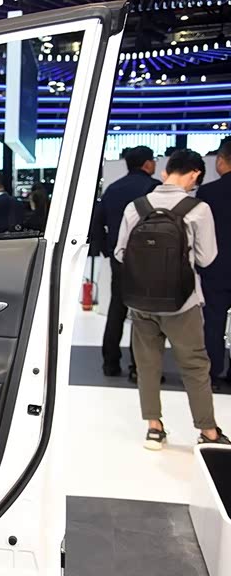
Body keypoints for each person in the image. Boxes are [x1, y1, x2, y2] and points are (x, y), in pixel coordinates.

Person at [115, 149, 230, 449]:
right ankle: (208, 431)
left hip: (140, 301)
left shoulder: (136, 207)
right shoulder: (198, 209)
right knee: (194, 365)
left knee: (147, 364)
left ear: (166, 171)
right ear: (194, 174)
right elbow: (206, 258)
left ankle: (154, 428)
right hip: (182, 303)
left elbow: (121, 253)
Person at [91, 146, 161, 379]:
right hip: (147, 258)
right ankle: (138, 367)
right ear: (147, 164)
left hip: (118, 257)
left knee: (117, 309)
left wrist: (107, 250)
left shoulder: (113, 188)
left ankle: (110, 363)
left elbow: (97, 222)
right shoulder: (153, 188)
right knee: (142, 313)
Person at [197, 140, 231, 391]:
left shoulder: (207, 193)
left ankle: (213, 373)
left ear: (221, 160)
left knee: (214, 323)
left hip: (216, 268)